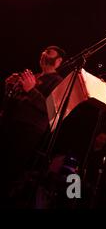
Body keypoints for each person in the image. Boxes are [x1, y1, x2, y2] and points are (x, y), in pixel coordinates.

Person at [0, 46, 65, 206]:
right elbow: (16, 100)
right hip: (10, 123)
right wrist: (10, 87)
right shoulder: (34, 76)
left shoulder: (58, 82)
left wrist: (32, 90)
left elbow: (51, 109)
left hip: (28, 129)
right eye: (43, 51)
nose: (44, 54)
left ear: (58, 61)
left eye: (49, 53)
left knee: (10, 168)